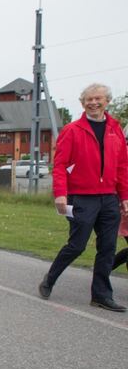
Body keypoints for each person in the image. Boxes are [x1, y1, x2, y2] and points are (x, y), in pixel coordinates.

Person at [38, 83, 128, 312]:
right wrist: (60, 194)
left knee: (107, 247)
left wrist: (124, 196)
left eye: (98, 99)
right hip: (82, 197)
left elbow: (122, 166)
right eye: (88, 99)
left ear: (107, 101)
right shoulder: (72, 130)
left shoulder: (115, 129)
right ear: (82, 103)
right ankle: (50, 278)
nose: (93, 103)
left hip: (109, 197)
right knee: (77, 245)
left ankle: (101, 295)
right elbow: (60, 165)